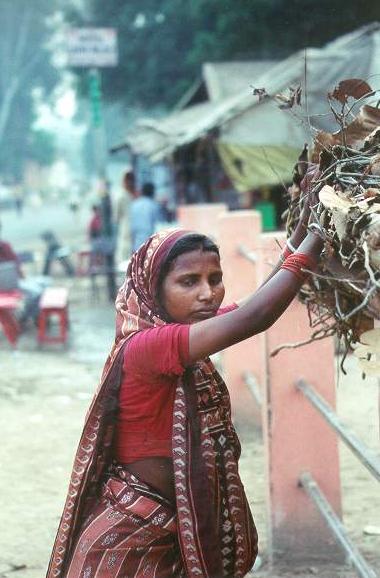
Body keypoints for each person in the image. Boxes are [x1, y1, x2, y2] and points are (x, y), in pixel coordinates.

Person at [47, 183, 323, 577]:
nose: (207, 294)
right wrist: (317, 241)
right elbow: (254, 317)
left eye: (215, 278)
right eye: (188, 281)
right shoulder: (148, 345)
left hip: (168, 528)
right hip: (131, 538)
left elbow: (251, 304)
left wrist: (304, 227)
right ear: (153, 291)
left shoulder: (182, 329)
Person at [116, 170, 140, 263]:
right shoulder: (123, 196)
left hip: (129, 231)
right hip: (128, 231)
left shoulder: (122, 196)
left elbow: (116, 217)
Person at [130, 181, 160, 252]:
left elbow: (132, 226)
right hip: (149, 240)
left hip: (136, 240)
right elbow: (158, 224)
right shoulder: (153, 205)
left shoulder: (134, 204)